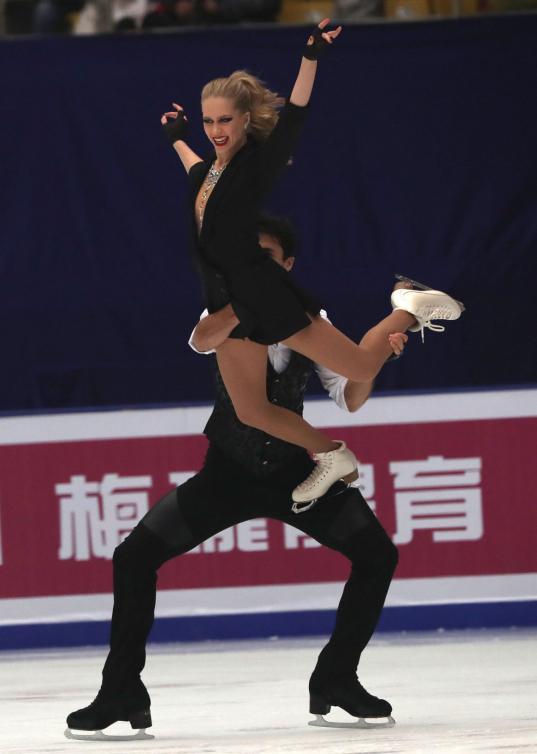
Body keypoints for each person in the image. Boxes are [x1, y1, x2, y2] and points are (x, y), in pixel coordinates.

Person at [65, 215, 407, 740]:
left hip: (298, 473)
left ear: (288, 265)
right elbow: (202, 340)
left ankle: (337, 677)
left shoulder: (312, 322)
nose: (256, 265)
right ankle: (120, 692)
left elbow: (349, 394)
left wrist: (379, 353)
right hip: (229, 471)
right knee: (134, 557)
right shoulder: (223, 314)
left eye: (266, 256)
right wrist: (245, 302)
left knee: (377, 554)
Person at [161, 19, 464, 506]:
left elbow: (296, 115)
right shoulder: (212, 171)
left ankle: (408, 304)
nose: (216, 130)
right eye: (208, 121)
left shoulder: (253, 165)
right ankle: (332, 456)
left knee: (362, 363)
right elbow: (199, 175)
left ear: (244, 120)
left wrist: (311, 58)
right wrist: (176, 138)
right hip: (225, 295)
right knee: (251, 409)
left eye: (225, 121)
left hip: (262, 294)